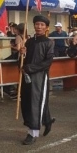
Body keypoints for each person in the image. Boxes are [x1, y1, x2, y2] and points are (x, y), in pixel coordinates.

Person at [20, 15, 55, 145]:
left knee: (36, 102)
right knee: (27, 101)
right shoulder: (29, 42)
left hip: (39, 76)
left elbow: (48, 62)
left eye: (42, 25)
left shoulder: (49, 43)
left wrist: (30, 68)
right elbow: (22, 61)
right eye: (37, 24)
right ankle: (47, 120)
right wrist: (22, 53)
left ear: (46, 28)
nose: (39, 27)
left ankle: (32, 132)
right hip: (27, 76)